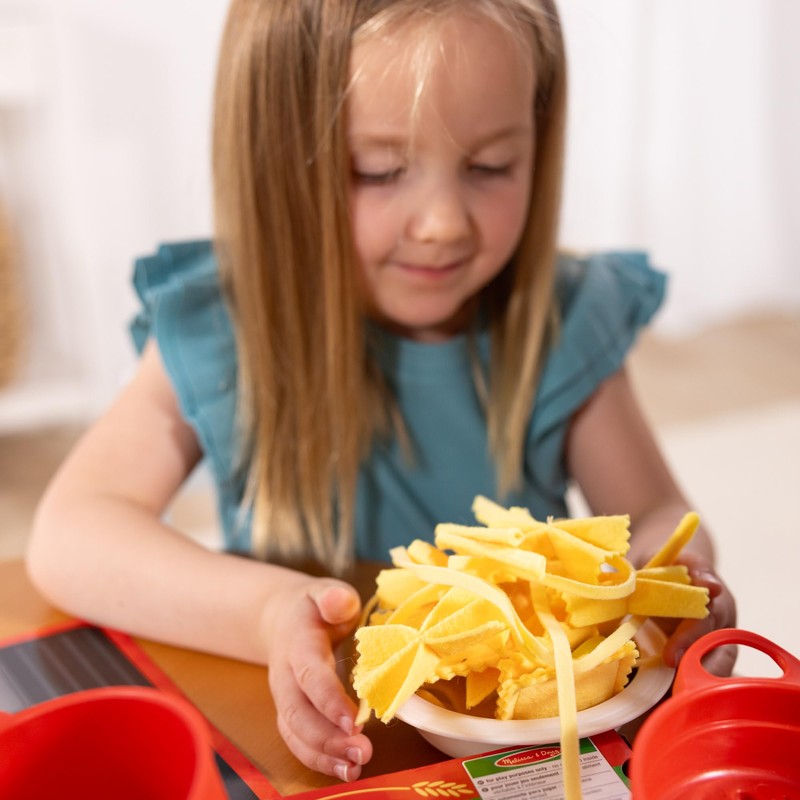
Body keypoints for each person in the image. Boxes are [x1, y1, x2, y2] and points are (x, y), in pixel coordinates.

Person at [28, 0, 736, 784]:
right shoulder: (226, 326)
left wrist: (676, 579)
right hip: (315, 743)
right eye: (379, 170)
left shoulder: (561, 323)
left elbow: (659, 516)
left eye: (491, 165)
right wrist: (266, 613)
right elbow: (71, 535)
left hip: (520, 753)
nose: (440, 223)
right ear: (275, 163)